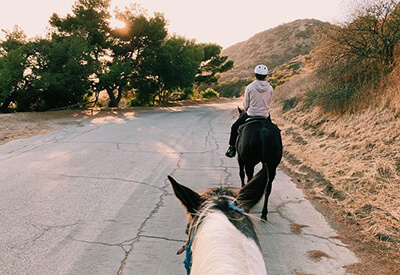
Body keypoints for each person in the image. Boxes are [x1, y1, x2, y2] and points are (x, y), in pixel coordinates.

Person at [225, 64, 273, 158]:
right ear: (266, 76)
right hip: (265, 115)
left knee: (234, 127)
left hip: (251, 114)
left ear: (255, 74)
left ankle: (232, 148)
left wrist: (248, 110)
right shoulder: (270, 88)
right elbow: (269, 102)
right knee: (274, 130)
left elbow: (246, 104)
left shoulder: (250, 87)